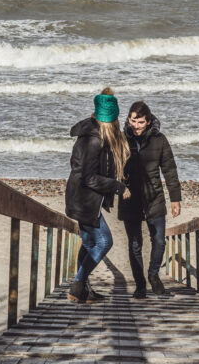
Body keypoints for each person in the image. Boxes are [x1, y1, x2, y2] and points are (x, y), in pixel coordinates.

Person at [65, 87, 131, 303]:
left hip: (81, 198)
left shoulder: (92, 134)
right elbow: (89, 178)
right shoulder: (94, 140)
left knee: (89, 243)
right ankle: (78, 284)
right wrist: (118, 186)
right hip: (84, 201)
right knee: (104, 242)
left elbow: (79, 168)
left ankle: (83, 289)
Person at [118, 101, 181, 298]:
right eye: (133, 120)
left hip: (154, 196)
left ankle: (153, 275)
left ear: (149, 121)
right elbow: (111, 166)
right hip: (130, 197)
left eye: (140, 122)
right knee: (135, 243)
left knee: (159, 241)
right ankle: (139, 285)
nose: (136, 125)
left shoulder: (159, 140)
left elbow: (170, 170)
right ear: (128, 119)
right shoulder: (121, 139)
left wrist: (175, 199)